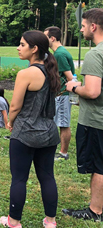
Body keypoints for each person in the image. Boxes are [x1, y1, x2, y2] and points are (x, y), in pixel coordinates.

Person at [0, 30, 60, 228]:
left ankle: (14, 222)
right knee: (47, 177)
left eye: (22, 44)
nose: (18, 47)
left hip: (25, 133)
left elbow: (15, 106)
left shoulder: (25, 74)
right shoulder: (51, 70)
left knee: (19, 178)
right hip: (49, 133)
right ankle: (50, 222)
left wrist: (10, 122)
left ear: (34, 49)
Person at [64, 8, 103, 221]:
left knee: (99, 166)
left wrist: (74, 87)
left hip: (97, 121)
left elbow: (93, 91)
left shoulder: (95, 54)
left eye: (83, 24)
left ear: (93, 27)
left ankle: (95, 211)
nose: (81, 28)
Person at [44, 26, 75, 161]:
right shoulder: (58, 53)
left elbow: (70, 77)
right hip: (60, 94)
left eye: (46, 37)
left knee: (63, 124)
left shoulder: (59, 54)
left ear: (52, 38)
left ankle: (63, 153)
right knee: (60, 122)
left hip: (63, 95)